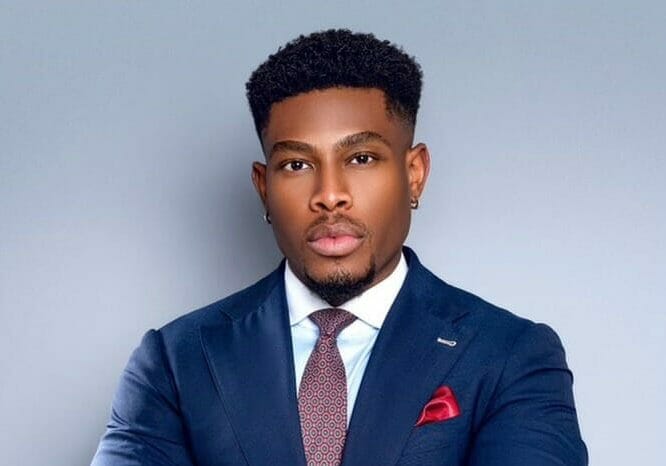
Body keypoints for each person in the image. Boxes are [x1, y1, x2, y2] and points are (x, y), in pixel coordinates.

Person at [92, 29, 587, 466]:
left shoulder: (510, 355)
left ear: (414, 174)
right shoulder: (176, 362)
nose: (330, 194)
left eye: (362, 158)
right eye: (297, 165)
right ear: (264, 188)